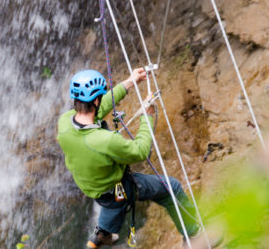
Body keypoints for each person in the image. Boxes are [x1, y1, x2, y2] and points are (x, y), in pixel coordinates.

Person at [57, 68, 200, 248]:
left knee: (112, 205)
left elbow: (100, 108)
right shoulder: (105, 140)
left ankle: (103, 234)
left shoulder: (65, 122)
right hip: (118, 188)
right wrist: (146, 116)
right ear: (95, 100)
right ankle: (194, 237)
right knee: (172, 188)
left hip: (94, 188)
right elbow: (140, 151)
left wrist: (130, 82)